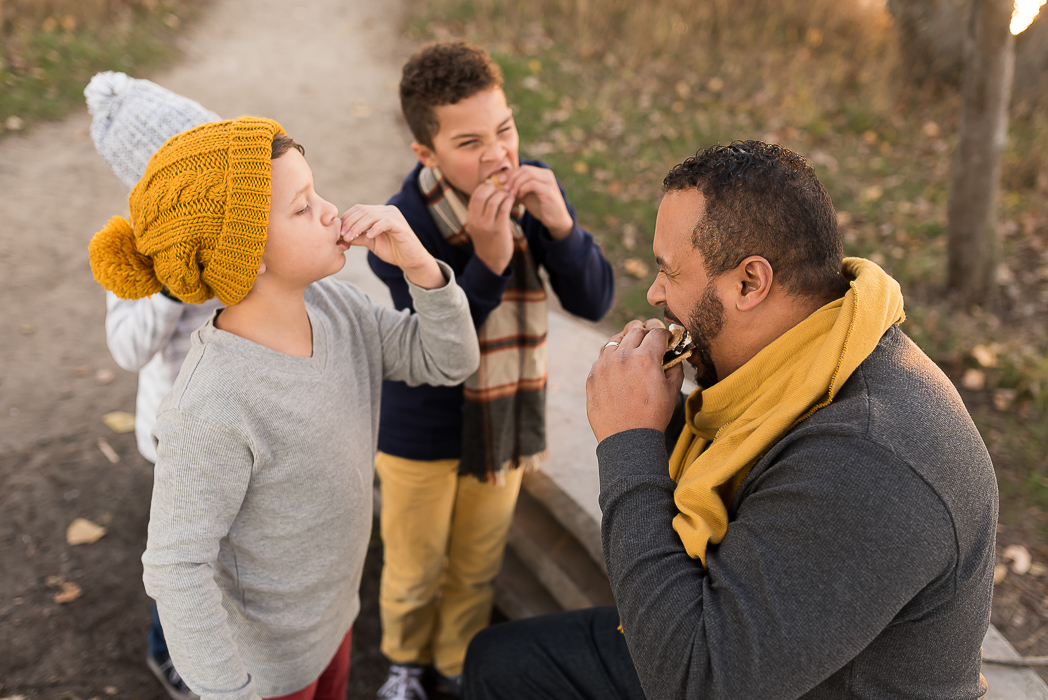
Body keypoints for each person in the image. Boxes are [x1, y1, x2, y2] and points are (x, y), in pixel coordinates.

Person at [462, 140, 998, 699]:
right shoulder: (803, 356)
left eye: (669, 272)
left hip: (736, 675)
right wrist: (662, 414)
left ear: (749, 283)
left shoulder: (869, 458)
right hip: (749, 646)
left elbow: (696, 682)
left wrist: (630, 440)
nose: (654, 293)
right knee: (499, 663)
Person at [87, 117, 480, 700]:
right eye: (302, 208)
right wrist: (230, 692)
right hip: (263, 675)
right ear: (247, 255)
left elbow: (450, 361)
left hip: (335, 621)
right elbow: (176, 568)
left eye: (317, 193)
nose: (330, 211)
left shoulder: (338, 308)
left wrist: (421, 267)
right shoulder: (211, 405)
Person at [366, 40, 614, 700]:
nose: (499, 154)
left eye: (504, 129)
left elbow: (592, 301)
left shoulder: (532, 188)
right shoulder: (403, 227)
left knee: (476, 565)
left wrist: (561, 227)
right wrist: (489, 260)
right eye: (470, 142)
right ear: (427, 153)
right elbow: (438, 349)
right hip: (422, 432)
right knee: (415, 567)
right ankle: (401, 662)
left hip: (505, 418)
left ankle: (453, 664)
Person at [86, 70, 223, 700]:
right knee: (183, 554)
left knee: (230, 541)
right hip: (173, 433)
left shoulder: (231, 229)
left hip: (233, 418)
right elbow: (127, 348)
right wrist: (169, 288)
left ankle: (225, 632)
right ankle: (165, 646)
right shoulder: (130, 255)